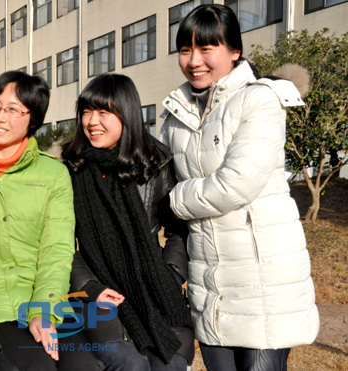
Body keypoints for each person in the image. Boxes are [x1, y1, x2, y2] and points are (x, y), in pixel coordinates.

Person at [158, 4, 319, 371]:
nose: (194, 60)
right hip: (211, 280)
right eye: (185, 50)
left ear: (234, 51)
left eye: (206, 48)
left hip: (263, 279)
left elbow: (236, 184)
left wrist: (175, 200)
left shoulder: (260, 99)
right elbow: (156, 174)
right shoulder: (176, 115)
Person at [0, 71, 102, 371]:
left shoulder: (53, 175)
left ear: (33, 120)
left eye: (14, 109)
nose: (0, 117)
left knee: (85, 366)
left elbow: (56, 250)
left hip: (44, 298)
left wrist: (42, 310)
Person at [62, 73, 194, 370]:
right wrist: (91, 287)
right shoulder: (73, 167)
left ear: (127, 114)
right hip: (99, 294)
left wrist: (170, 276)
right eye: (86, 112)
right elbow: (61, 243)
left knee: (170, 364)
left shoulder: (155, 163)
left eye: (104, 112)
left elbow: (178, 231)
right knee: (130, 364)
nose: (92, 122)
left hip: (155, 290)